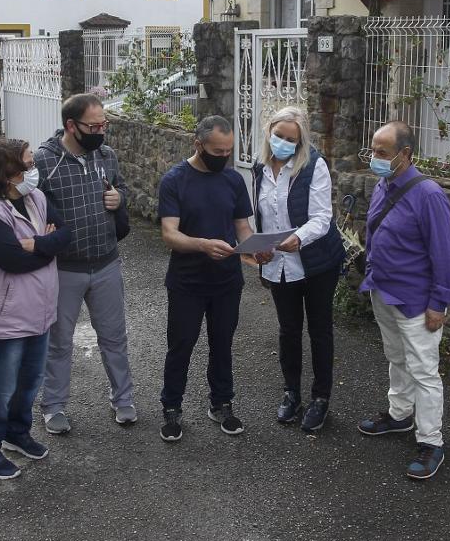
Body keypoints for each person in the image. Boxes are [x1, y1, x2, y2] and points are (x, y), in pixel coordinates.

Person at [357, 121, 450, 481]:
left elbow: (445, 255)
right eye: (372, 151)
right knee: (396, 357)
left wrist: (439, 303)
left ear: (406, 154)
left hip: (417, 299)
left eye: (383, 153)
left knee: (423, 370)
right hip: (383, 290)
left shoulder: (428, 195)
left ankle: (431, 441)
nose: (375, 158)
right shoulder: (383, 185)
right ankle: (399, 415)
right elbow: (375, 234)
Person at [0, 139, 72, 481]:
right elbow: (12, 261)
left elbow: (66, 235)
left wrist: (36, 244)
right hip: (1, 320)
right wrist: (46, 245)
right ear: (10, 172)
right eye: (28, 162)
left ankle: (16, 433)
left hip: (38, 313)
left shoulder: (37, 199)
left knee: (28, 384)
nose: (34, 167)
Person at [36, 93, 136, 434]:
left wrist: (119, 198)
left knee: (114, 337)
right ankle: (53, 406)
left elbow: (122, 189)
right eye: (93, 126)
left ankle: (123, 399)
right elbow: (32, 209)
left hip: (106, 263)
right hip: (64, 268)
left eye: (103, 124)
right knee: (59, 341)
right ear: (71, 126)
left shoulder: (106, 155)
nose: (100, 131)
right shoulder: (44, 162)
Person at [157, 115, 253, 441]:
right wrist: (201, 245)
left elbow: (242, 227)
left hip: (227, 281)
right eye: (217, 150)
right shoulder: (175, 180)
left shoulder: (234, 181)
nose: (224, 156)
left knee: (222, 344)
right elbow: (169, 234)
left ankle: (222, 403)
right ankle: (171, 408)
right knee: (181, 345)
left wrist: (255, 249)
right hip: (187, 281)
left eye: (229, 151)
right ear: (198, 144)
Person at [251, 106, 345, 433]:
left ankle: (321, 398)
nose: (283, 143)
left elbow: (322, 218)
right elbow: (261, 216)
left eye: (291, 139)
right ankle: (291, 393)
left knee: (319, 330)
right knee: (288, 329)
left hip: (316, 261)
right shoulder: (259, 167)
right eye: (278, 136)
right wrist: (259, 247)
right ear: (269, 132)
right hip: (279, 264)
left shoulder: (313, 165)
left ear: (301, 140)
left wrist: (298, 238)